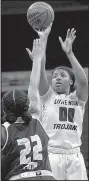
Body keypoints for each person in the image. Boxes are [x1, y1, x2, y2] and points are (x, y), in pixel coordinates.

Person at [27, 25, 88, 180]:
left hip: (75, 156)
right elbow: (41, 70)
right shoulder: (47, 97)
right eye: (54, 76)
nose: (57, 78)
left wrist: (69, 53)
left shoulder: (78, 100)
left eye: (62, 75)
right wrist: (44, 37)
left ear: (71, 82)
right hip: (51, 154)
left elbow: (83, 82)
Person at [1, 38, 56, 180]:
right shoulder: (37, 118)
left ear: (4, 109)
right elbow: (33, 87)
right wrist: (37, 60)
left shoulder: (4, 131)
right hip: (46, 177)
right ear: (28, 105)